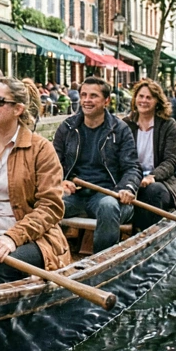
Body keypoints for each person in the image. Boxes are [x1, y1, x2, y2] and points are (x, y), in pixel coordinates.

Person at [0, 77, 69, 285]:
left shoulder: (41, 149)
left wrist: (12, 237)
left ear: (18, 109)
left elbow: (50, 207)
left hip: (32, 237)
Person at [52, 77, 139, 254]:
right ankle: (51, 256)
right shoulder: (67, 127)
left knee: (108, 207)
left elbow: (132, 167)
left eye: (93, 96)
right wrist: (60, 181)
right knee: (45, 202)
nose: (86, 100)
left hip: (107, 194)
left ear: (106, 101)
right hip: (75, 195)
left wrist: (126, 188)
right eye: (83, 95)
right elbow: (52, 164)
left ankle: (101, 261)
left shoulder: (120, 129)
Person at [124, 79, 176, 232]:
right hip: (129, 178)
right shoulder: (126, 124)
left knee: (152, 192)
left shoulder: (168, 125)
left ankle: (144, 237)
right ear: (135, 99)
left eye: (149, 97)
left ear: (157, 102)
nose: (143, 101)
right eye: (140, 96)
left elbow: (171, 160)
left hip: (160, 181)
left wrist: (152, 176)